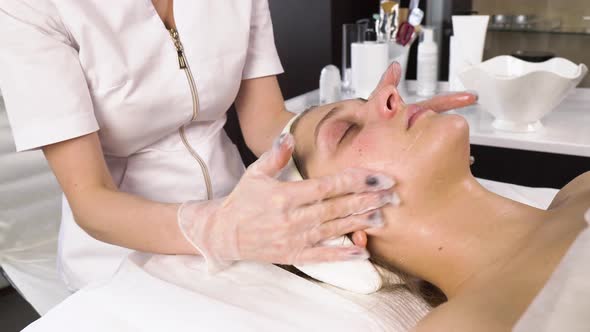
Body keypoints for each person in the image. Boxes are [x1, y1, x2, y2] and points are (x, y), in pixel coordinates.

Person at [0, 1, 476, 290]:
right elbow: (91, 203)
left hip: (243, 210)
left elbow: (266, 122)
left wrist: (370, 129)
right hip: (118, 251)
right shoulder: (30, 7)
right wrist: (214, 229)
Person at [287, 66, 590, 331]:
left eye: (366, 101)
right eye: (346, 131)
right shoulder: (462, 326)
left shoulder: (581, 187)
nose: (390, 93)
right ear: (350, 230)